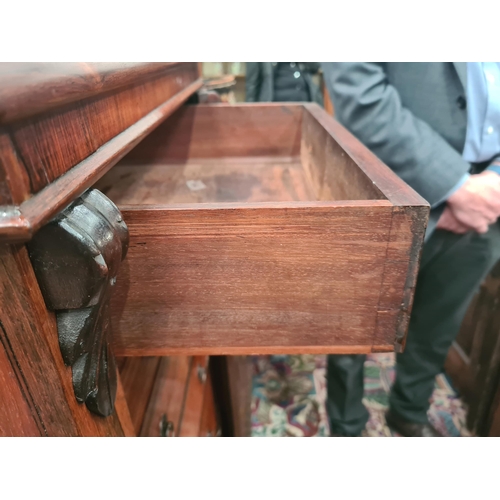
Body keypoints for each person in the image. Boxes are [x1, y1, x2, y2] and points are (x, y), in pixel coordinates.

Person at [321, 62, 500, 437]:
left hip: (490, 199)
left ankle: (408, 412)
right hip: (385, 186)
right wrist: (453, 187)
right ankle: (346, 426)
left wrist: (492, 183)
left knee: (439, 324)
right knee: (353, 326)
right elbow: (359, 90)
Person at [245, 62, 323, 105]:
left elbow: (315, 67)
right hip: (274, 105)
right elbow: (252, 84)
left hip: (306, 103)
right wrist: (250, 115)